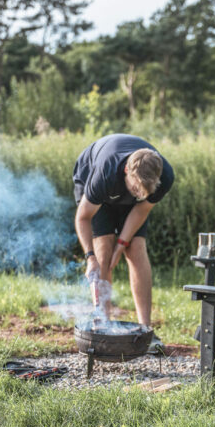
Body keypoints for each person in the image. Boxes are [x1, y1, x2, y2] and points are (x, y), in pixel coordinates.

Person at [73, 133, 174, 330]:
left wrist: (122, 245)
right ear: (127, 170)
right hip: (94, 180)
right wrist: (90, 257)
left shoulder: (164, 176)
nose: (140, 195)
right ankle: (102, 323)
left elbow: (141, 209)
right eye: (137, 189)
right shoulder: (105, 173)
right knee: (103, 248)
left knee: (135, 248)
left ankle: (145, 329)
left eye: (145, 192)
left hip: (129, 193)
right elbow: (82, 217)